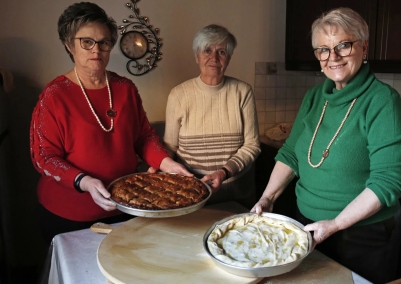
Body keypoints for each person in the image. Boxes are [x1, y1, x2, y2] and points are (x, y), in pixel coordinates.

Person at [251, 7, 401, 284]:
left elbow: (389, 181)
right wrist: (267, 198)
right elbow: (291, 153)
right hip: (306, 223)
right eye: (323, 49)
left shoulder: (382, 101)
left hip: (363, 235)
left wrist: (337, 224)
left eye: (343, 45)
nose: (333, 57)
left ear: (364, 47)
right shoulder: (315, 97)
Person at [30, 2, 191, 244]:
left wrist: (166, 162)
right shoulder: (55, 95)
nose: (96, 49)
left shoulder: (125, 88)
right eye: (87, 42)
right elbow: (44, 157)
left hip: (125, 207)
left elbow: (144, 137)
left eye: (104, 42)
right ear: (68, 45)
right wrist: (84, 181)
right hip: (68, 215)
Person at [160, 24, 260, 209]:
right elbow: (170, 146)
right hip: (190, 194)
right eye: (207, 50)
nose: (214, 58)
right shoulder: (178, 95)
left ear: (229, 58)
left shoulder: (242, 92)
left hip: (235, 194)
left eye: (221, 51)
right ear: (196, 56)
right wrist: (159, 164)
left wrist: (224, 172)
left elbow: (252, 145)